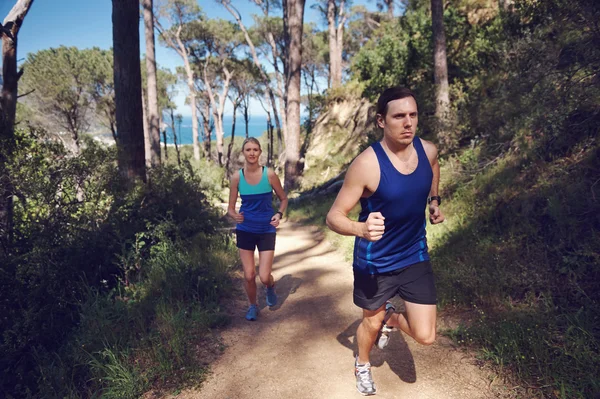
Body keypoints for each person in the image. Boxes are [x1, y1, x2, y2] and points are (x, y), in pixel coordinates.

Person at [326, 86, 445, 395]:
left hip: (414, 255)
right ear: (381, 121)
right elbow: (334, 216)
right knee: (370, 322)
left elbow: (433, 167)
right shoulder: (367, 164)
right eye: (398, 116)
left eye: (413, 115)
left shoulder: (427, 150)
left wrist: (434, 200)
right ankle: (362, 363)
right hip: (375, 262)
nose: (408, 123)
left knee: (427, 335)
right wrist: (361, 229)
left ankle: (391, 317)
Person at [228, 137, 288, 321]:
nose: (252, 153)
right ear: (243, 153)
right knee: (248, 274)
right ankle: (252, 306)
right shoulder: (237, 177)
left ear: (260, 152)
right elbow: (230, 208)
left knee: (263, 276)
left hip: (266, 229)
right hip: (245, 229)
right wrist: (234, 215)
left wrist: (278, 214)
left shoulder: (269, 174)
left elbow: (283, 199)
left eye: (255, 149)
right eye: (248, 150)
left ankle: (270, 286)